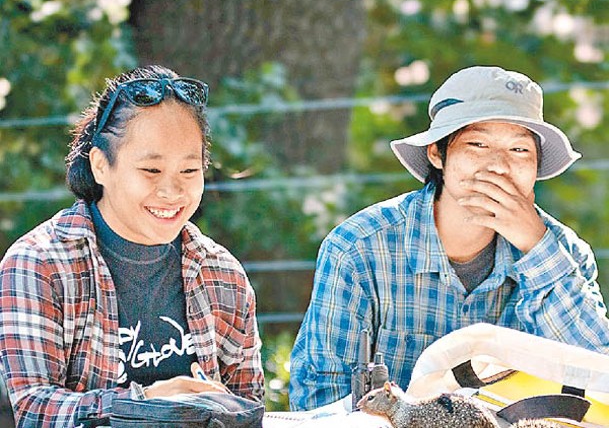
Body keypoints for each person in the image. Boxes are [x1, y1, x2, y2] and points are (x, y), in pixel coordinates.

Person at [289, 65, 609, 411]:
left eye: (519, 151)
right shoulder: (359, 247)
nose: (499, 166)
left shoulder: (565, 253)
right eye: (478, 144)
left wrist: (535, 245)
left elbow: (599, 378)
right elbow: (321, 401)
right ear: (436, 153)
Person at [0, 65, 264, 427]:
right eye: (151, 171)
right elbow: (34, 411)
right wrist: (147, 402)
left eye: (189, 171)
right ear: (100, 166)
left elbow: (250, 408)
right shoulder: (39, 264)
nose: (172, 192)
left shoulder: (223, 274)